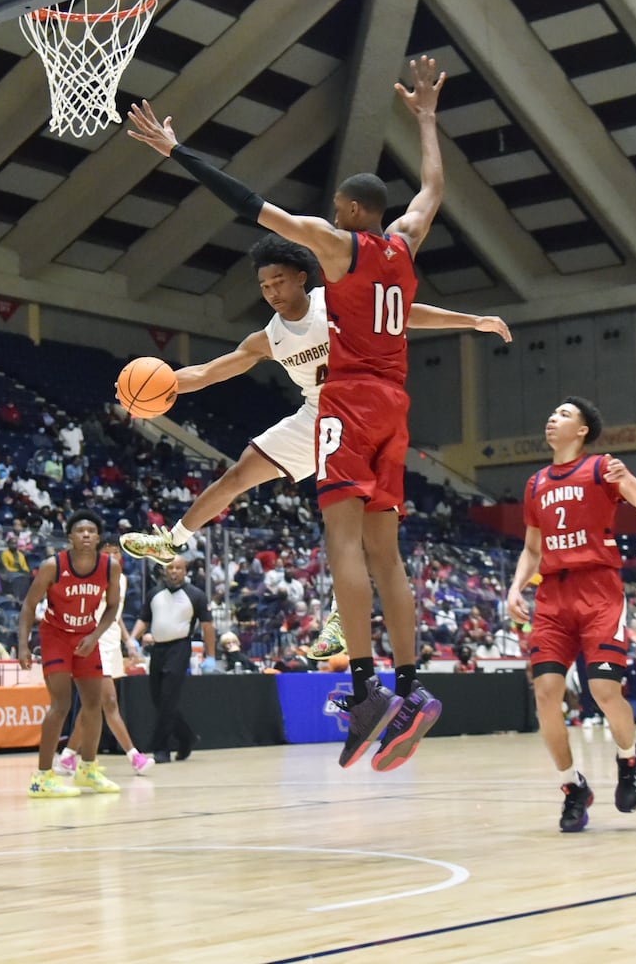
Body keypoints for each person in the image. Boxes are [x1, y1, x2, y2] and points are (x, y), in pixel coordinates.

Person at [128, 55, 451, 772]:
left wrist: (177, 151)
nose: (332, 214)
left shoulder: (340, 247)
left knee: (341, 541)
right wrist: (425, 119)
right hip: (397, 405)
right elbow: (431, 186)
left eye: (340, 207)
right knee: (386, 554)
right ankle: (411, 686)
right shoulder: (406, 239)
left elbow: (250, 203)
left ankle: (366, 690)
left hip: (350, 400)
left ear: (353, 213)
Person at [118, 233, 510, 597]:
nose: (272, 292)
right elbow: (206, 373)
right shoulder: (267, 338)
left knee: (354, 518)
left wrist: (473, 321)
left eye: (279, 282)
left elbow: (404, 312)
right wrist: (157, 388)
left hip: (359, 415)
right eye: (265, 286)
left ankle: (346, 612)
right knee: (237, 475)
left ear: (301, 277)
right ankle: (171, 541)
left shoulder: (338, 302)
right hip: (315, 416)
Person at [506, 398, 636, 831]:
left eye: (565, 414)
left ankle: (629, 758)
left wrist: (626, 477)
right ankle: (572, 787)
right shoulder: (535, 484)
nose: (553, 417)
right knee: (546, 693)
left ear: (583, 430)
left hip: (599, 591)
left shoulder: (599, 468)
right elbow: (532, 549)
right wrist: (516, 587)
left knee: (605, 691)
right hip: (552, 596)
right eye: (551, 412)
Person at [17, 510, 122, 798]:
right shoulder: (53, 565)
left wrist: (95, 635)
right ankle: (42, 777)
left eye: (91, 531)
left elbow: (112, 607)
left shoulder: (111, 567)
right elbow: (28, 605)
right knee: (60, 706)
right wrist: (23, 645)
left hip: (87, 637)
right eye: (80, 531)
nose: (86, 535)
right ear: (70, 538)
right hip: (55, 636)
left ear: (99, 538)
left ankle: (87, 769)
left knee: (93, 705)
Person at [55, 541, 153, 777]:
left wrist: (128, 640)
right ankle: (134, 756)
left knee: (93, 705)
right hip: (94, 643)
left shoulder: (122, 579)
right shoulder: (88, 579)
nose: (111, 557)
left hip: (113, 645)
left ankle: (68, 756)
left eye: (115, 553)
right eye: (106, 553)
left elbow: (115, 614)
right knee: (108, 702)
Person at [131, 557, 213, 764]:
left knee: (168, 697)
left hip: (179, 648)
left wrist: (211, 656)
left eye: (178, 568)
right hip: (157, 649)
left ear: (185, 571)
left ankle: (161, 748)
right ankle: (187, 738)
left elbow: (207, 627)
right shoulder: (154, 593)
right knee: (159, 699)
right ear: (164, 570)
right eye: (170, 567)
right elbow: (144, 618)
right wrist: (133, 638)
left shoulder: (196, 595)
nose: (174, 571)